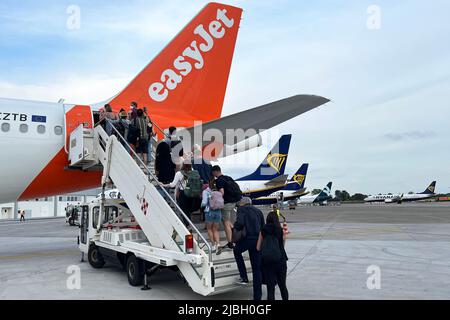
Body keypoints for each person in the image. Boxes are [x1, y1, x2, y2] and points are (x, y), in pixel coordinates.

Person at [232, 197, 264, 300]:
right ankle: (257, 297)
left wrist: (234, 227)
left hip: (247, 239)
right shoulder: (258, 211)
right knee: (256, 270)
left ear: (243, 203)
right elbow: (263, 227)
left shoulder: (242, 209)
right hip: (258, 241)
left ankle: (244, 276)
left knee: (236, 251)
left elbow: (240, 223)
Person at [257, 211, 289, 300]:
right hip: (281, 260)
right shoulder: (281, 230)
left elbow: (258, 248)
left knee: (270, 289)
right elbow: (283, 245)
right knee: (283, 286)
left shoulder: (263, 230)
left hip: (268, 262)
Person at [212, 165, 242, 250]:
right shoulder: (228, 178)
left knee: (225, 222)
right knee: (227, 220)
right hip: (234, 202)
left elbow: (222, 192)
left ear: (215, 172)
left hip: (226, 203)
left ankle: (230, 242)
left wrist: (215, 198)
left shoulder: (219, 180)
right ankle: (234, 233)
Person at [201, 177, 223, 252]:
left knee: (209, 229)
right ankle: (218, 244)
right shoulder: (219, 192)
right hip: (218, 212)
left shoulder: (205, 192)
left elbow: (204, 203)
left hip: (209, 212)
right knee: (216, 229)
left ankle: (213, 245)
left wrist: (201, 206)